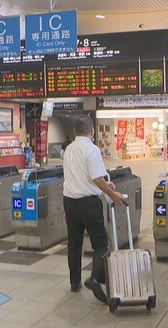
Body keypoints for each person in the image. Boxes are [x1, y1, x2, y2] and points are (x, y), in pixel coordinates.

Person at [62, 115, 124, 303]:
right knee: (101, 244)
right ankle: (95, 279)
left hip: (70, 202)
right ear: (92, 132)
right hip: (88, 204)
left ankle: (75, 283)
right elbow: (96, 178)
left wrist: (106, 185)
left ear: (74, 131)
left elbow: (89, 176)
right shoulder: (92, 149)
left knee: (74, 243)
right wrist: (113, 195)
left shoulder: (68, 150)